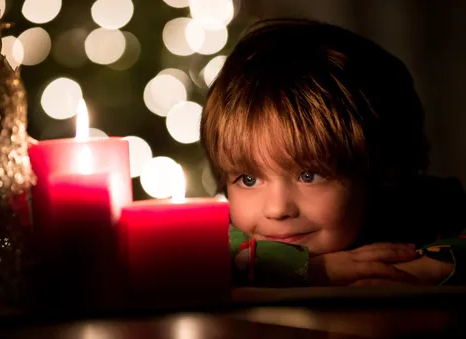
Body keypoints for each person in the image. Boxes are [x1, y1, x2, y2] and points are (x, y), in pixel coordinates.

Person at [199, 18, 466, 287]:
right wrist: (313, 270)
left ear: (381, 172)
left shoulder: (425, 208)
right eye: (248, 180)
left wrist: (426, 269)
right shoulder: (220, 238)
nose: (277, 209)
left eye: (309, 175)